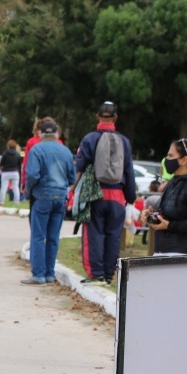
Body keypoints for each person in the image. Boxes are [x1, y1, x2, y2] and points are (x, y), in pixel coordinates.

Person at [73, 101, 136, 285]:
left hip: (95, 196)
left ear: (97, 116)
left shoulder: (90, 139)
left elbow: (80, 167)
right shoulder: (124, 141)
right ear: (116, 118)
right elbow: (129, 171)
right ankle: (109, 275)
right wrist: (130, 197)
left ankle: (96, 273)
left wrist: (72, 193)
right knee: (113, 236)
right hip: (118, 196)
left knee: (94, 235)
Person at [21, 120, 75, 285]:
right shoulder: (65, 151)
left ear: (40, 134)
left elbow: (32, 174)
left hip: (43, 195)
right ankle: (50, 273)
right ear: (57, 133)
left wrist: (28, 190)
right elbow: (72, 177)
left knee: (38, 236)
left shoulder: (37, 150)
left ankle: (38, 274)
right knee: (53, 236)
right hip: (60, 196)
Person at [141, 138, 187, 254]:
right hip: (163, 249)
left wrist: (170, 226)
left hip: (182, 251)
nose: (166, 160)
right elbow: (168, 211)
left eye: (170, 156)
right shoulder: (173, 182)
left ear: (184, 160)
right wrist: (151, 215)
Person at [0, 139, 22, 206]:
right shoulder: (17, 154)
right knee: (16, 188)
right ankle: (16, 202)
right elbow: (19, 166)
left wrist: (0, 167)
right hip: (15, 172)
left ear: (8, 146)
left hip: (6, 172)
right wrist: (19, 174)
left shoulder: (5, 153)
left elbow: (1, 163)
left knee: (4, 187)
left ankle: (1, 202)